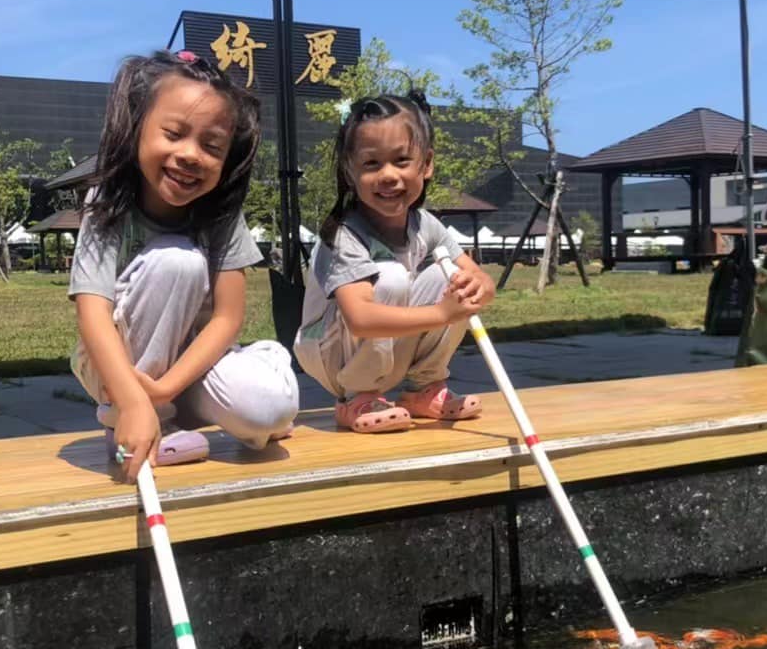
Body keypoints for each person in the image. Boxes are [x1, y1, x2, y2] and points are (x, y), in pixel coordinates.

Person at [70, 50, 298, 478]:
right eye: (174, 134)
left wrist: (167, 387)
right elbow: (92, 312)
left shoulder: (224, 213)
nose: (191, 155)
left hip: (190, 366)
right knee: (178, 262)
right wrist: (136, 402)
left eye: (212, 146)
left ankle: (243, 374)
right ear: (137, 129)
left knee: (268, 411)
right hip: (117, 366)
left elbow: (228, 318)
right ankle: (137, 419)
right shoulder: (108, 202)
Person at [295, 91, 495, 433]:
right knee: (389, 276)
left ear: (426, 163)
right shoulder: (344, 235)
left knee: (451, 279)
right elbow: (360, 319)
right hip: (329, 352)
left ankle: (423, 388)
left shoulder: (425, 224)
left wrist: (480, 288)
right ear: (350, 170)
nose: (388, 175)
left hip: (386, 348)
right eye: (371, 164)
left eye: (401, 160)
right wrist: (441, 314)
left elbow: (479, 278)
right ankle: (357, 396)